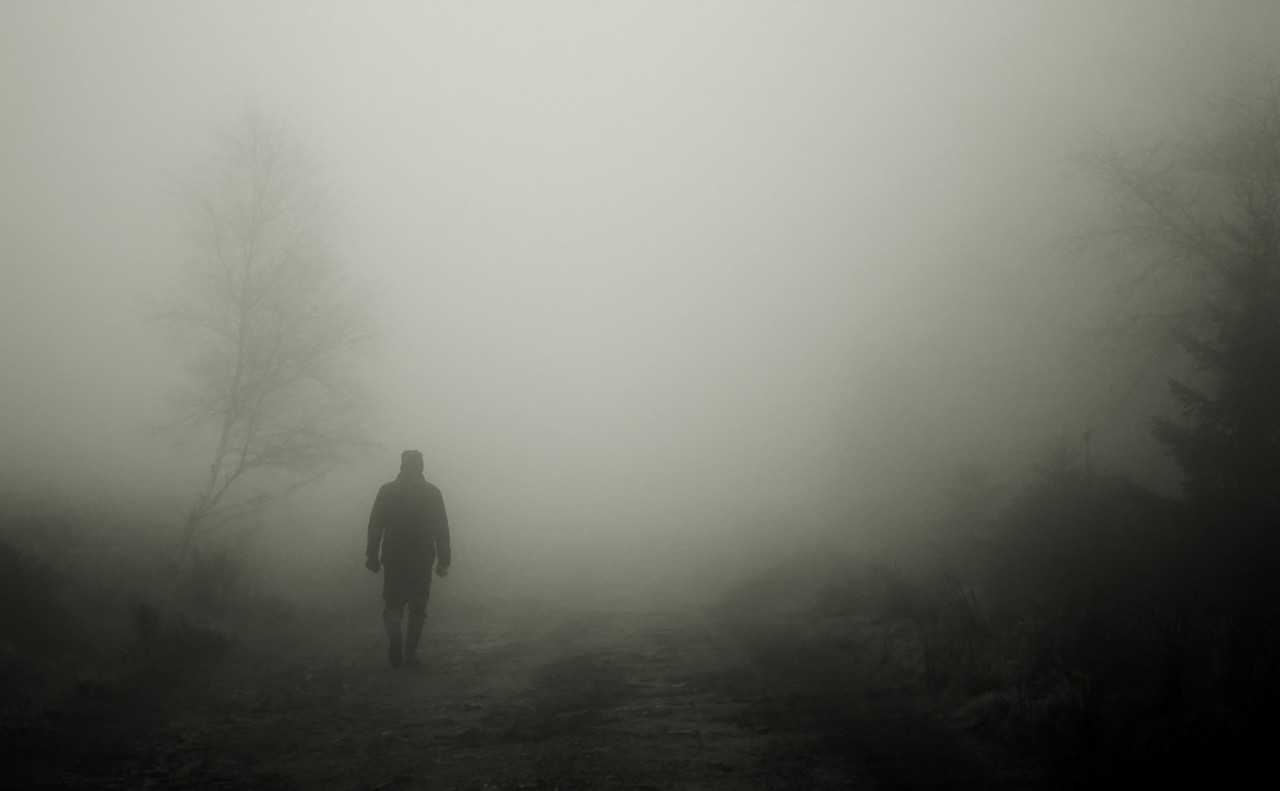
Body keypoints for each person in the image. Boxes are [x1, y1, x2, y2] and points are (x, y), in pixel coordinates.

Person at [365, 450, 451, 668]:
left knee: (393, 602)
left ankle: (395, 634)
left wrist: (372, 556)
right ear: (421, 466)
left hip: (394, 556)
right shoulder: (432, 493)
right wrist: (444, 560)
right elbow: (441, 528)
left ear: (402, 465)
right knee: (418, 606)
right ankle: (410, 655)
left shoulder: (387, 491)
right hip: (422, 557)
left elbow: (375, 525)